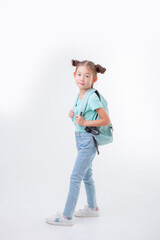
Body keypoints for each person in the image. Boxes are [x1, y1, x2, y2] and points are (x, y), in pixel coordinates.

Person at [46, 59, 111, 226]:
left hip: (88, 142)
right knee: (87, 176)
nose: (82, 78)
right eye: (79, 74)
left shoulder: (91, 97)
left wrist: (83, 123)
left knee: (75, 177)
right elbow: (81, 120)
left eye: (87, 76)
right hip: (81, 140)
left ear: (94, 79)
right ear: (74, 75)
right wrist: (74, 116)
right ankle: (93, 208)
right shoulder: (80, 95)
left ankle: (66, 217)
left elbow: (105, 120)